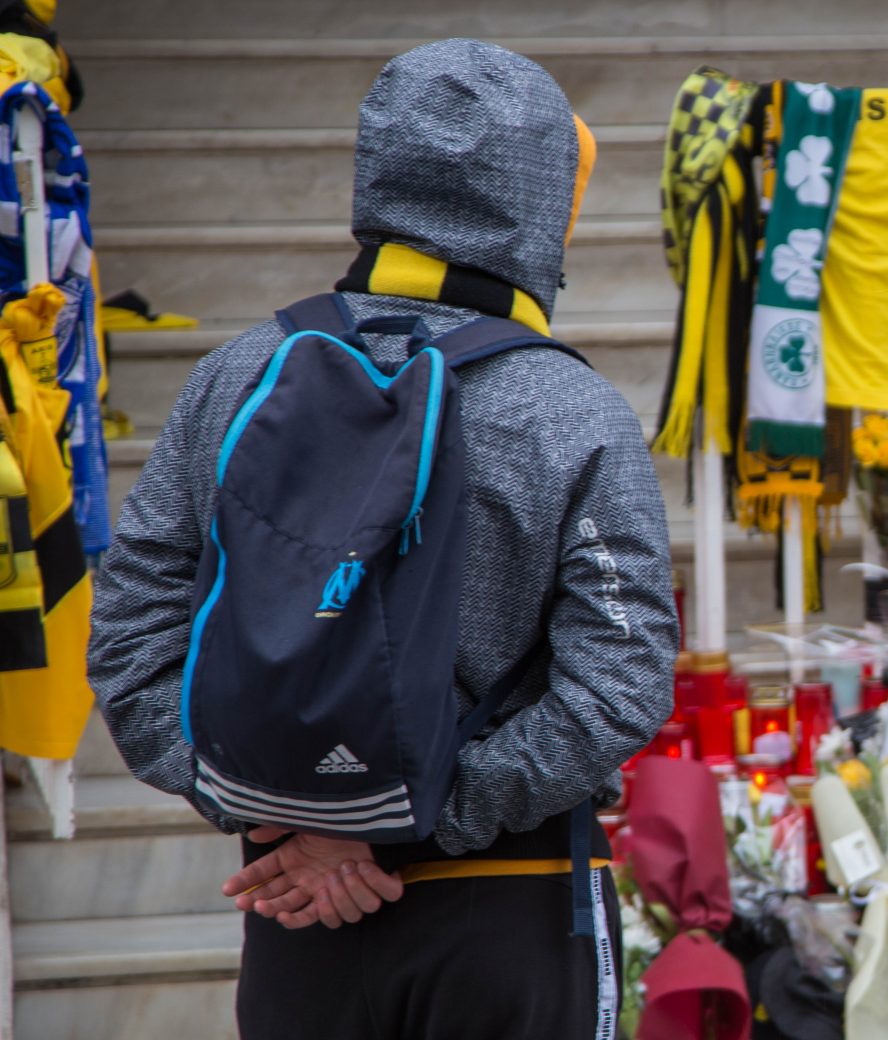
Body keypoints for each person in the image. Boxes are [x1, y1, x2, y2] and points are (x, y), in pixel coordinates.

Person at [88, 39, 678, 1038]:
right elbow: (621, 681)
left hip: (292, 901)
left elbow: (129, 629)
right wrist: (416, 822)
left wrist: (276, 818)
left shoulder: (238, 377)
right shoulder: (573, 410)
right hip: (509, 905)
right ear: (543, 201)